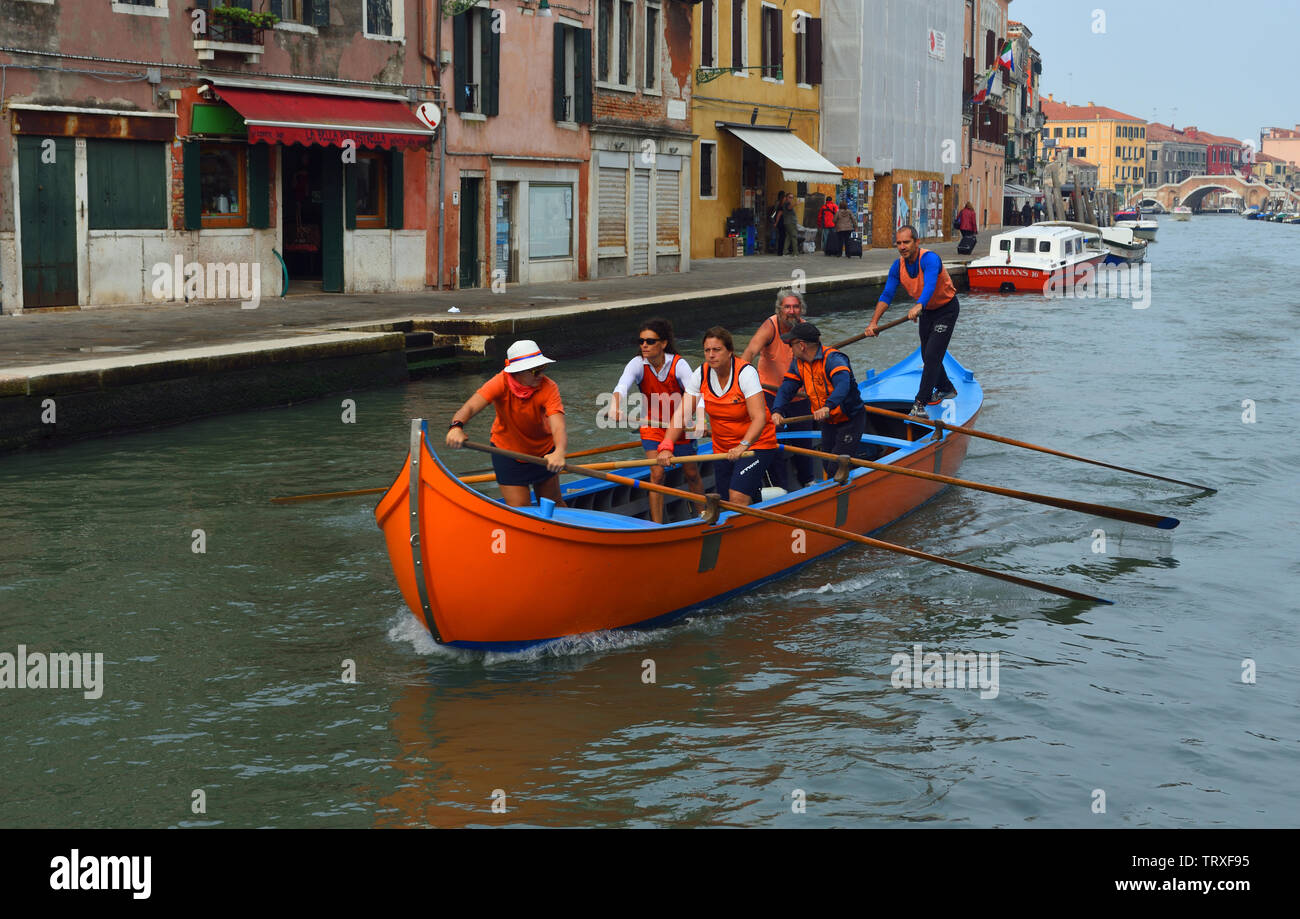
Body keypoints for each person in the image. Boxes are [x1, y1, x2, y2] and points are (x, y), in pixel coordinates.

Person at [658, 328, 780, 507]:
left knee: (736, 496)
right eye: (707, 350)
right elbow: (682, 414)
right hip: (722, 448)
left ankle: (743, 530)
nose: (711, 355)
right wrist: (667, 445)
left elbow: (759, 418)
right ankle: (758, 502)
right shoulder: (701, 374)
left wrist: (742, 446)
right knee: (724, 501)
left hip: (755, 445)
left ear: (729, 351)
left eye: (717, 350)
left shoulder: (745, 373)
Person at [446, 339, 567, 508]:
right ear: (517, 372)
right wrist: (456, 427)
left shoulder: (548, 387)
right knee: (521, 511)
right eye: (535, 371)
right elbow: (471, 407)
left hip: (544, 454)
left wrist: (559, 452)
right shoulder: (500, 382)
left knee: (554, 506)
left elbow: (558, 425)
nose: (541, 375)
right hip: (507, 452)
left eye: (543, 369)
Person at [608, 318, 705, 523]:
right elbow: (621, 387)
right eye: (641, 341)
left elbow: (696, 394)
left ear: (663, 344)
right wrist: (615, 405)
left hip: (680, 427)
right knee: (657, 474)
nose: (644, 345)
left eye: (650, 341)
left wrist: (701, 421)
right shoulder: (637, 364)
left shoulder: (679, 364)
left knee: (692, 473)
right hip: (652, 426)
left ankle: (704, 514)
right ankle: (656, 525)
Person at [863, 225, 960, 418]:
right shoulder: (897, 266)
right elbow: (887, 294)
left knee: (932, 355)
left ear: (916, 242)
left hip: (946, 310)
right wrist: (873, 322)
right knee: (926, 354)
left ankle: (920, 404)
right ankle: (946, 387)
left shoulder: (930, 259)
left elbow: (930, 284)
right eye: (898, 243)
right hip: (926, 312)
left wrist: (919, 305)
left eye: (906, 242)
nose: (902, 247)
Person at [770, 323, 871, 474]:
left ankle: (853, 481)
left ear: (802, 345)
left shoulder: (834, 359)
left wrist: (827, 406)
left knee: (835, 466)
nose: (790, 349)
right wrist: (777, 410)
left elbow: (843, 385)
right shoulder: (798, 363)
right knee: (827, 463)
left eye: (791, 345)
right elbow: (787, 388)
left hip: (850, 419)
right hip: (828, 421)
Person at [740, 289, 816, 488]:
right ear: (779, 310)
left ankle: (807, 480)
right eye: (787, 307)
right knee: (772, 440)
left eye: (795, 307)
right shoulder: (770, 326)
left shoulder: (806, 329)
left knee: (804, 441)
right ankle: (780, 486)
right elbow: (750, 352)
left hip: (799, 395)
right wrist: (738, 380)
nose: (791, 311)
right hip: (770, 394)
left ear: (801, 309)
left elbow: (818, 362)